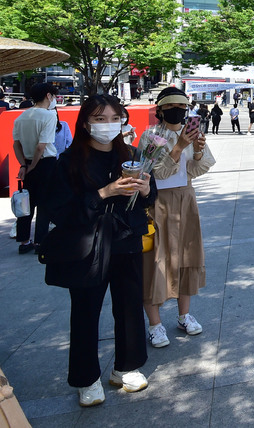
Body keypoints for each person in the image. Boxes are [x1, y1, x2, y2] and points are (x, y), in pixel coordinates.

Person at [45, 94, 156, 407]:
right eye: (100, 119)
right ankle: (87, 379)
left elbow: (149, 198)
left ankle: (126, 367)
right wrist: (105, 192)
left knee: (129, 307)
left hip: (127, 243)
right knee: (85, 312)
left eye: (114, 118)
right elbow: (60, 210)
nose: (108, 125)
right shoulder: (68, 161)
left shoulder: (132, 154)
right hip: (88, 248)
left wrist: (146, 189)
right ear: (85, 123)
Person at [141, 87, 216, 348]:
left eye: (183, 108)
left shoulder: (190, 133)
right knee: (155, 260)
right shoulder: (151, 136)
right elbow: (155, 173)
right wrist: (180, 146)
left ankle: (184, 315)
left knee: (187, 256)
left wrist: (196, 150)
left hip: (185, 198)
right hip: (157, 202)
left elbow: (196, 170)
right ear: (159, 110)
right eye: (172, 107)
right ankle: (155, 324)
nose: (179, 112)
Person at [12, 83, 59, 254]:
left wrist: (25, 165)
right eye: (54, 95)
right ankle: (41, 242)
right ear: (48, 95)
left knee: (27, 203)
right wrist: (33, 165)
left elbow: (16, 144)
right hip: (45, 163)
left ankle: (24, 241)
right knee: (45, 203)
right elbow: (41, 146)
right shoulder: (49, 116)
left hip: (27, 162)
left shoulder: (22, 116)